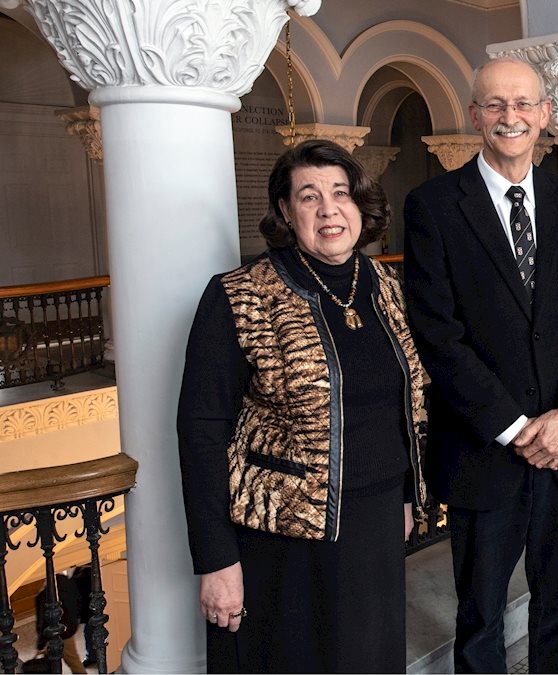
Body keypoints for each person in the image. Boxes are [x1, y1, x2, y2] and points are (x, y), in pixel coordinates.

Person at [178, 139, 428, 672]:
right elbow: (200, 431)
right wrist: (216, 559)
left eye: (341, 192)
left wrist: (406, 495)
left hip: (376, 520)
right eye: (309, 196)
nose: (329, 209)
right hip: (283, 537)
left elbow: (401, 406)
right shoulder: (240, 295)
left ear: (361, 204)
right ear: (287, 213)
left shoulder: (386, 285)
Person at [403, 57, 558, 673]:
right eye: (495, 105)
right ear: (474, 115)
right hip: (484, 448)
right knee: (480, 613)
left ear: (545, 114)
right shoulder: (435, 206)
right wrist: (519, 428)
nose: (510, 117)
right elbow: (438, 336)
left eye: (523, 104)